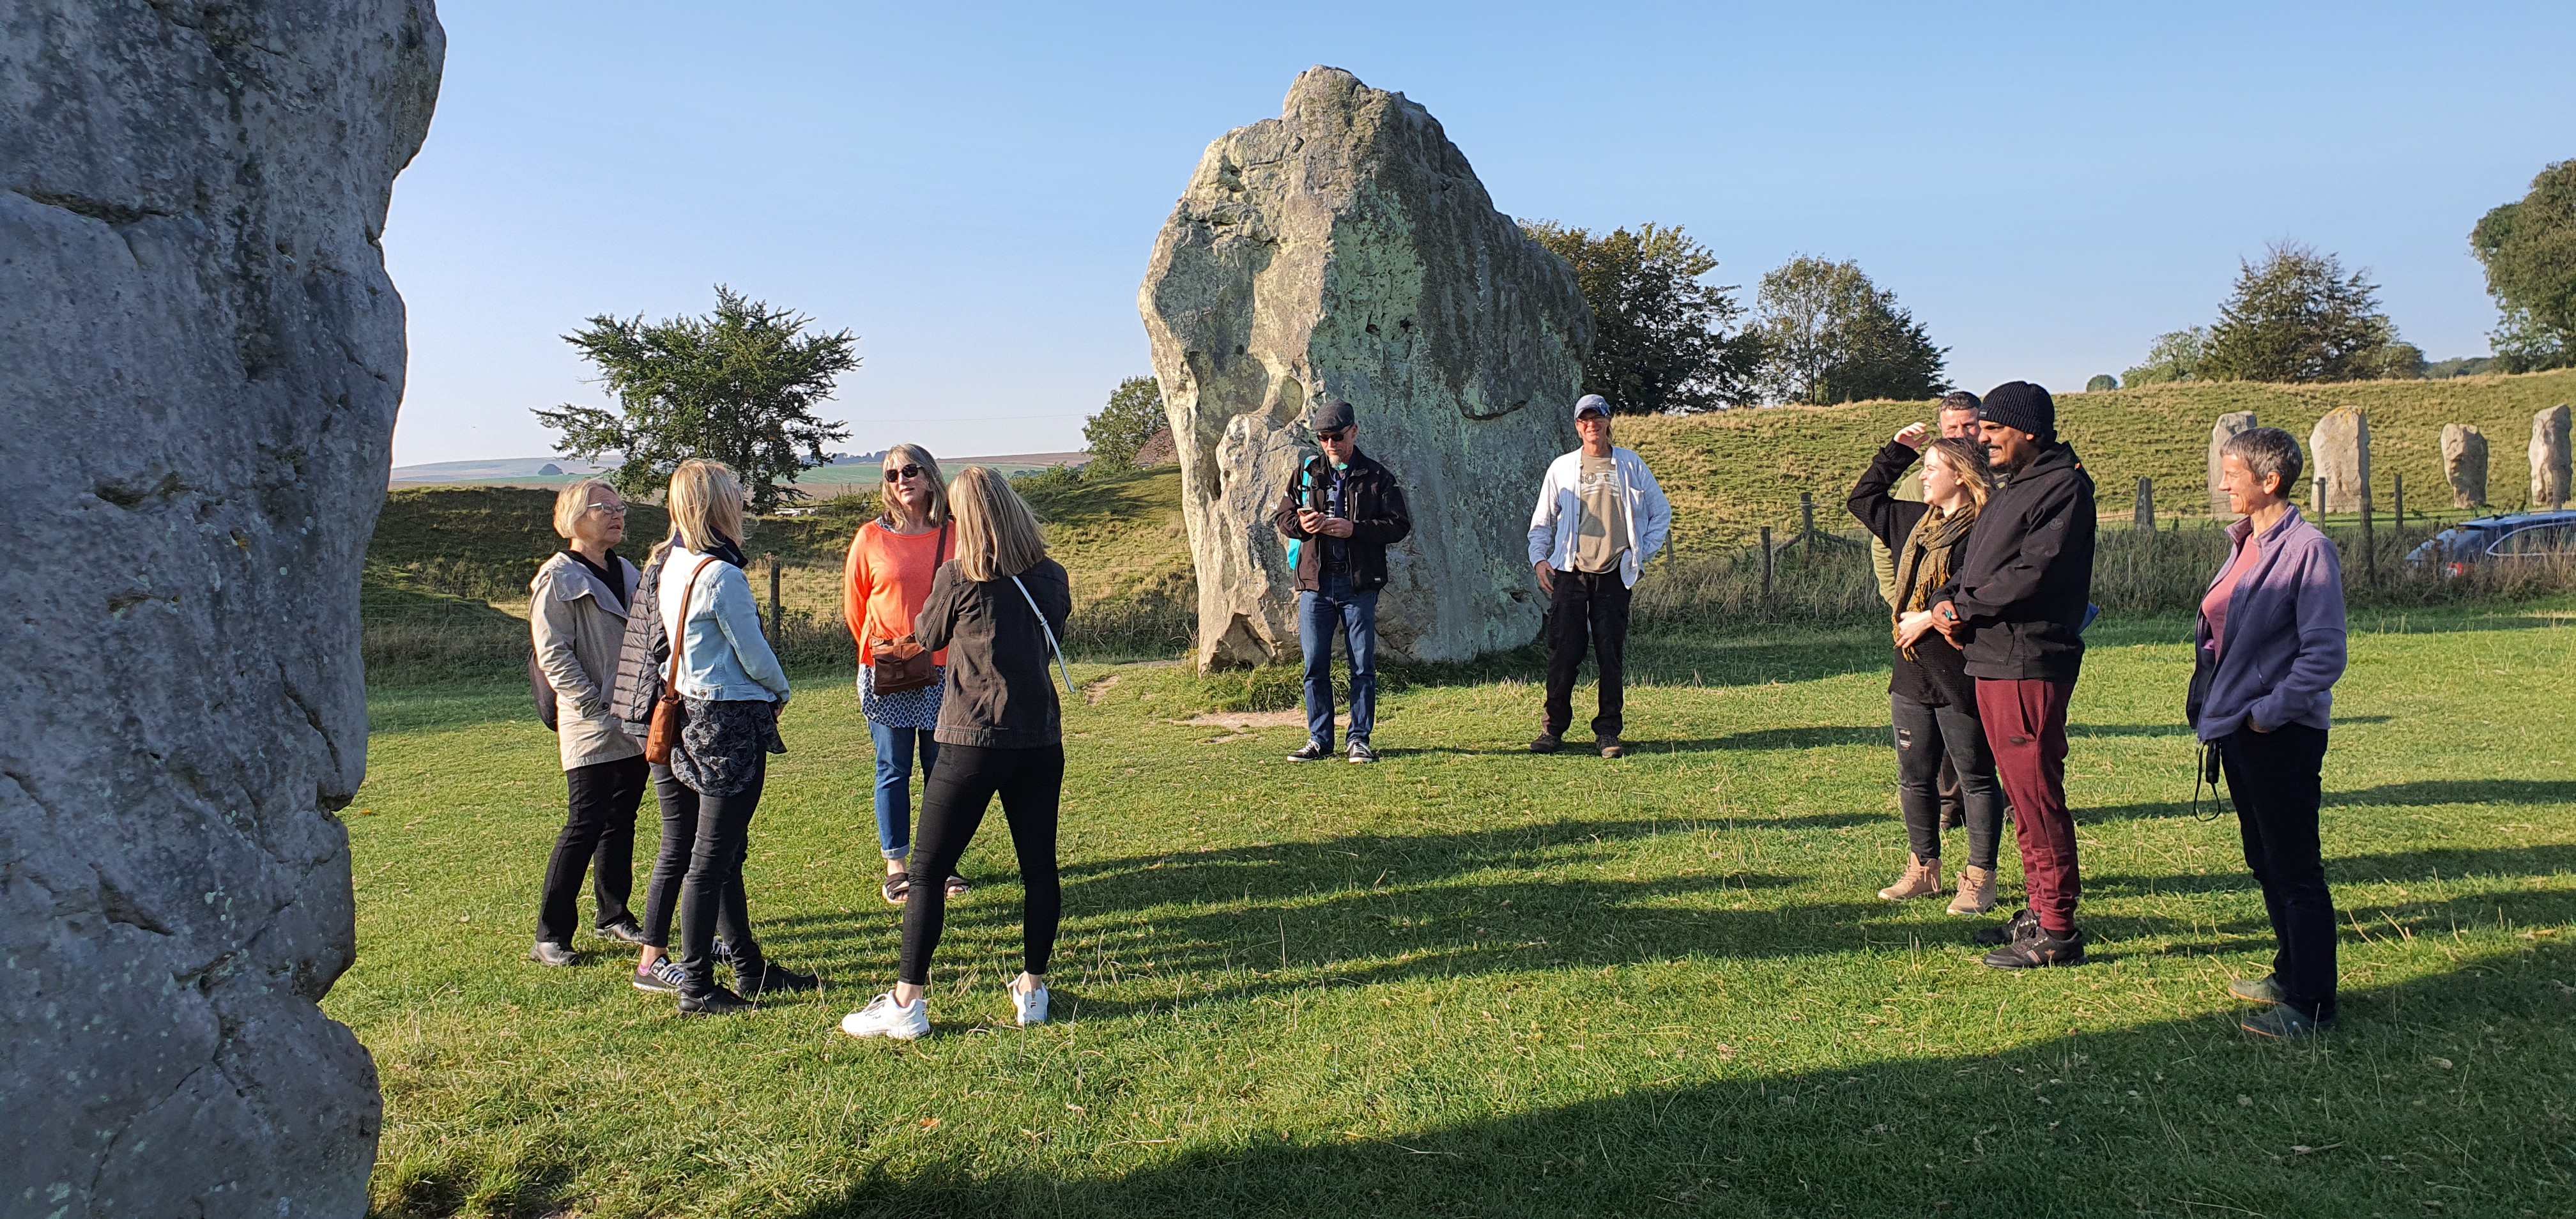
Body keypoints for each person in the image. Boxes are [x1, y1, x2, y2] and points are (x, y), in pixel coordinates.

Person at [839, 467, 1072, 1039]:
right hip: (1039, 737)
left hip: (972, 738)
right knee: (1039, 869)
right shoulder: (1051, 575)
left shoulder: (958, 576)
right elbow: (1052, 639)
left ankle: (907, 1002)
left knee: (926, 872)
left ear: (965, 518)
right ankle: (1033, 989)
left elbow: (928, 634)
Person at [1929, 381, 2097, 969]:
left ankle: (2057, 930)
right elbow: (1977, 566)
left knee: (2036, 797)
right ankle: (2038, 910)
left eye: (1994, 429)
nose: (1983, 439)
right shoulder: (2015, 487)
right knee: (2020, 801)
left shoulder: (2064, 487)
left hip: (2029, 660)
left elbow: (2034, 574)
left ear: (2029, 430)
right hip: (1995, 657)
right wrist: (1948, 600)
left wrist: (1965, 608)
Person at [2197, 427, 2348, 1038]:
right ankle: (2289, 975)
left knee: (2294, 867)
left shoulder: (2310, 550)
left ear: (2270, 480)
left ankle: (2312, 1003)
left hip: (2280, 734)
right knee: (2264, 857)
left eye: (2232, 474)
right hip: (2240, 727)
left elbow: (2325, 653)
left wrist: (2269, 712)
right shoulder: (2246, 542)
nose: (2223, 484)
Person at [652, 459, 818, 1014]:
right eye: (735, 498)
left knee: (722, 852)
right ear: (719, 507)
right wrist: (782, 688)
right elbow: (754, 653)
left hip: (692, 711)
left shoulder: (673, 564)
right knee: (713, 858)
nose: (742, 505)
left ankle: (748, 967)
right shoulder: (722, 576)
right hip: (728, 719)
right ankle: (697, 986)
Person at [1849, 427, 2011, 914]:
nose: (1923, 477)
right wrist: (1898, 450)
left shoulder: (1986, 530)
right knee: (1915, 776)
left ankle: (1980, 878)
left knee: (1976, 777)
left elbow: (1980, 593)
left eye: (1931, 469)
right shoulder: (1914, 523)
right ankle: (1924, 869)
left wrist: (1927, 618)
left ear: (1960, 476)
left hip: (1963, 672)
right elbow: (1863, 499)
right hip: (1912, 674)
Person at [528, 479, 648, 965]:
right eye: (605, 508)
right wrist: (595, 707)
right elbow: (553, 654)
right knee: (584, 823)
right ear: (575, 517)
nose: (618, 515)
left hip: (634, 718)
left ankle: (613, 914)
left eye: (621, 508)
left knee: (623, 819)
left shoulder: (628, 571)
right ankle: (550, 935)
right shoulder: (556, 577)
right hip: (591, 723)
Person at [843, 443, 967, 906]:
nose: (902, 480)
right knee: (892, 768)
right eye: (892, 474)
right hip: (888, 671)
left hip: (947, 669)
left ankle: (941, 863)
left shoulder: (957, 533)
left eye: (910, 470)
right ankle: (896, 865)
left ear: (930, 475)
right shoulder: (869, 539)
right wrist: (888, 652)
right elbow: (855, 610)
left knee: (942, 768)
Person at [1527, 394, 1672, 758]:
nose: (1592, 425)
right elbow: (1542, 522)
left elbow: (1661, 513)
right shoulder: (1561, 468)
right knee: (1564, 654)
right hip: (1570, 573)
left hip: (1614, 575)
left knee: (1610, 655)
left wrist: (1639, 555)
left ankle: (1608, 732)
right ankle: (1552, 730)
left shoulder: (1631, 465)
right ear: (1578, 426)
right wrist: (1540, 560)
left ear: (1609, 422)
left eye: (1598, 418)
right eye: (1585, 419)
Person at [1272, 399, 1413, 764]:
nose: (1330, 444)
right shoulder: (1306, 473)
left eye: (1337, 436)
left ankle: (1359, 739)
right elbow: (1283, 518)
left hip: (1358, 585)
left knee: (1362, 666)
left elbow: (1399, 525)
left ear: (1354, 432)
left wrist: (1356, 530)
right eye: (1323, 438)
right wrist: (1302, 526)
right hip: (1315, 584)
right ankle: (1320, 740)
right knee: (1314, 665)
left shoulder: (1378, 476)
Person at [1869, 391, 1983, 831]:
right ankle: (1947, 809)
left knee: (1976, 738)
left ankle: (2000, 811)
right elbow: (1887, 543)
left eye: (1969, 425)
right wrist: (1901, 603)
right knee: (1927, 736)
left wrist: (1936, 614)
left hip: (1970, 630)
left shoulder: (1997, 485)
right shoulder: (1921, 488)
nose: (1962, 433)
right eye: (1952, 427)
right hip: (1921, 634)